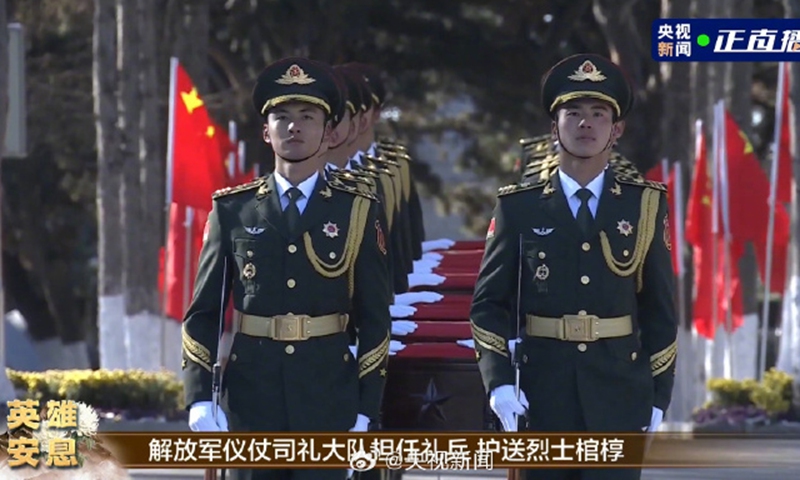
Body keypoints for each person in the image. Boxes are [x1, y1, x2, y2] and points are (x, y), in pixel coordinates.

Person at [182, 57, 392, 480]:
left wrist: (366, 412)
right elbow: (203, 313)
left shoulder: (357, 210)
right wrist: (200, 399)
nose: (293, 127)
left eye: (307, 116)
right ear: (265, 131)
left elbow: (375, 321)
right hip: (251, 397)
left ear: (329, 132)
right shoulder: (233, 210)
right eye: (281, 116)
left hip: (328, 396)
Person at [469, 53, 677, 480]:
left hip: (619, 390)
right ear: (554, 127)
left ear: (616, 130)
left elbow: (659, 309)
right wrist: (500, 383)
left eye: (599, 114)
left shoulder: (645, 206)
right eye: (573, 113)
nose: (586, 124)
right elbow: (489, 305)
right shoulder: (519, 207)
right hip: (542, 394)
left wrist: (659, 395)